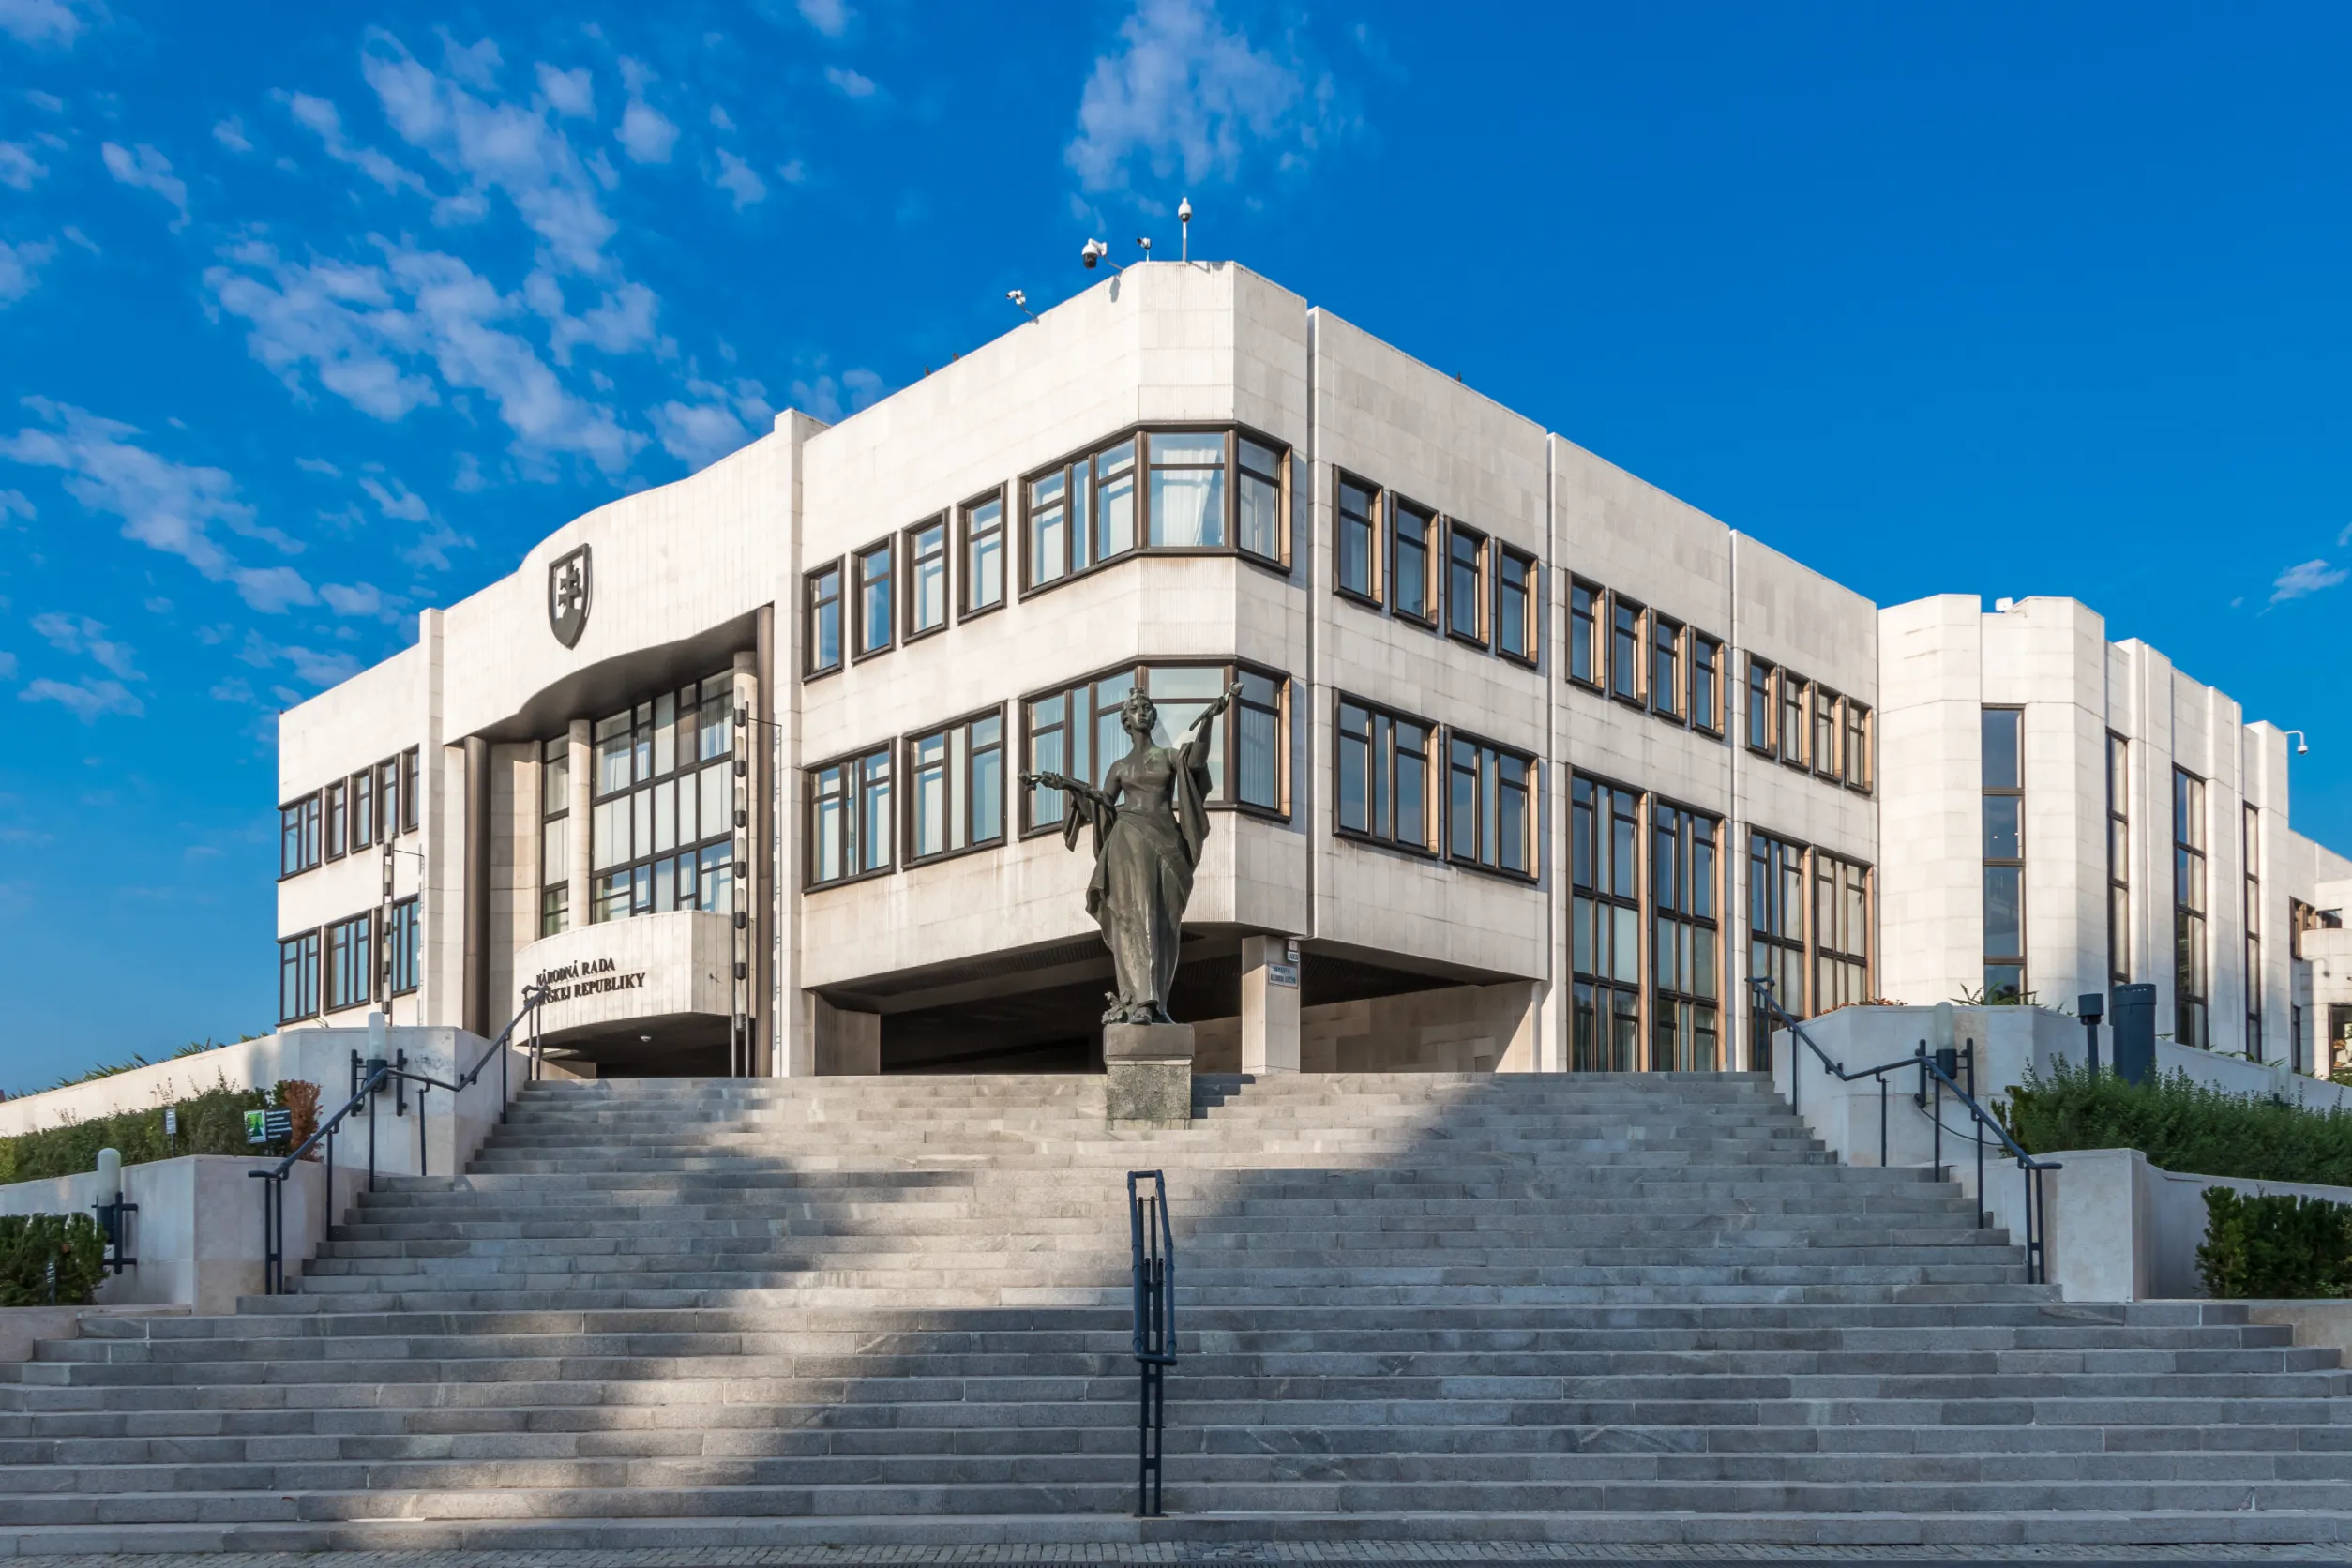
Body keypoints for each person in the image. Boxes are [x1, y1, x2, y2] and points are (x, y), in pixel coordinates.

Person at [1023, 683, 1238, 1025]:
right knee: (1136, 920)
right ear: (1126, 720)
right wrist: (1068, 787)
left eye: (1147, 708)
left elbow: (1195, 762)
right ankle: (1142, 1001)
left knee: (1166, 925)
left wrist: (1209, 720)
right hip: (1128, 843)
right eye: (1136, 708)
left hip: (1167, 844)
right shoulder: (1120, 767)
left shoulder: (1168, 757)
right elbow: (1101, 806)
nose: (1143, 712)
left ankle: (1158, 1004)